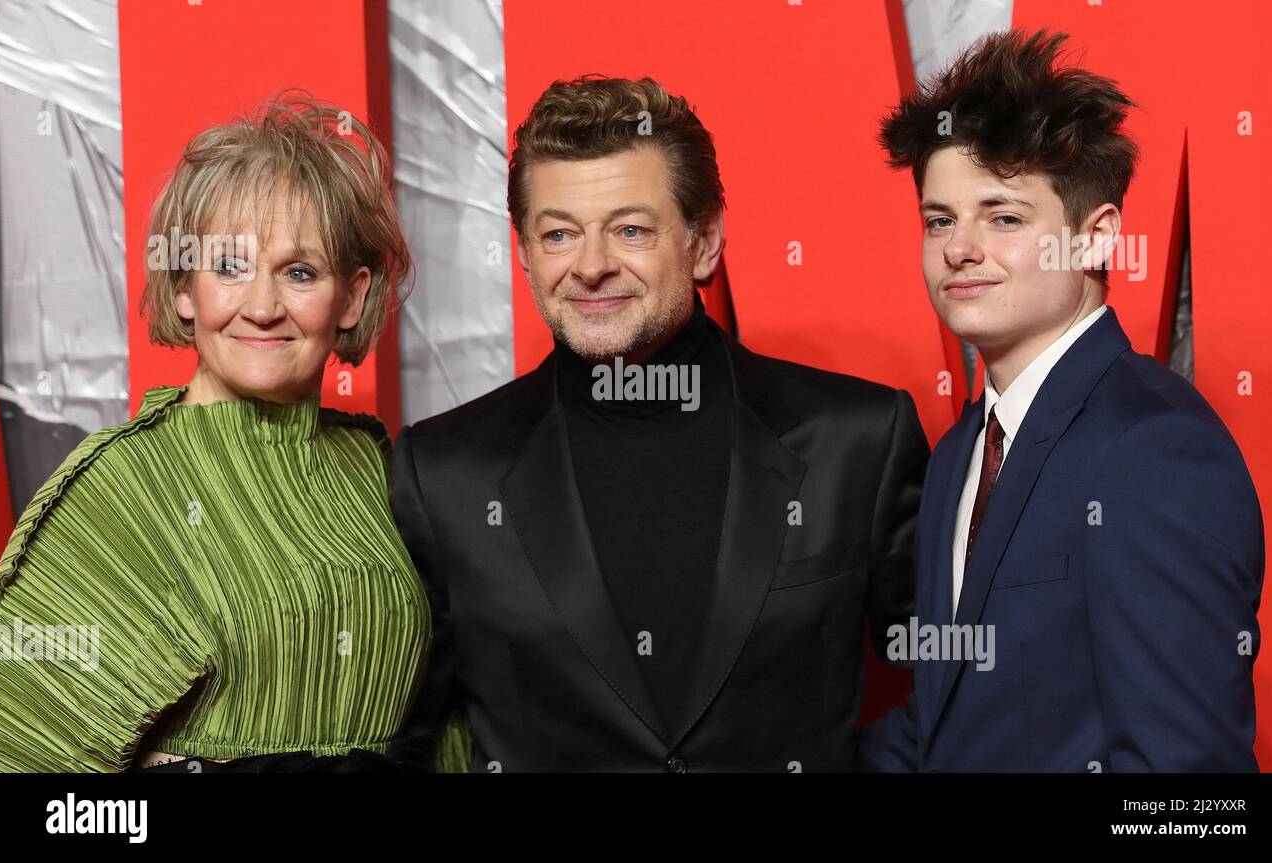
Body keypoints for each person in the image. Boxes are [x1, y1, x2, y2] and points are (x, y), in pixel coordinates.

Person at [390, 75, 928, 772]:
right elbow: (406, 740)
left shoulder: (857, 439)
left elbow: (960, 688)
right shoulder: (444, 472)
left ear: (704, 242)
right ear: (523, 254)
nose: (590, 265)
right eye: (558, 233)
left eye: (631, 229)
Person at [0, 93, 462, 772]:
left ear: (352, 297)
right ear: (185, 288)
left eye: (299, 272)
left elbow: (443, 719)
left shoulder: (378, 468)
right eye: (230, 267)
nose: (264, 306)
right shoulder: (123, 488)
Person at [859, 30, 1264, 772]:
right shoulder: (960, 454)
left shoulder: (1154, 447)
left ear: (1094, 238)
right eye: (940, 219)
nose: (959, 247)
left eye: (1004, 217)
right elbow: (946, 726)